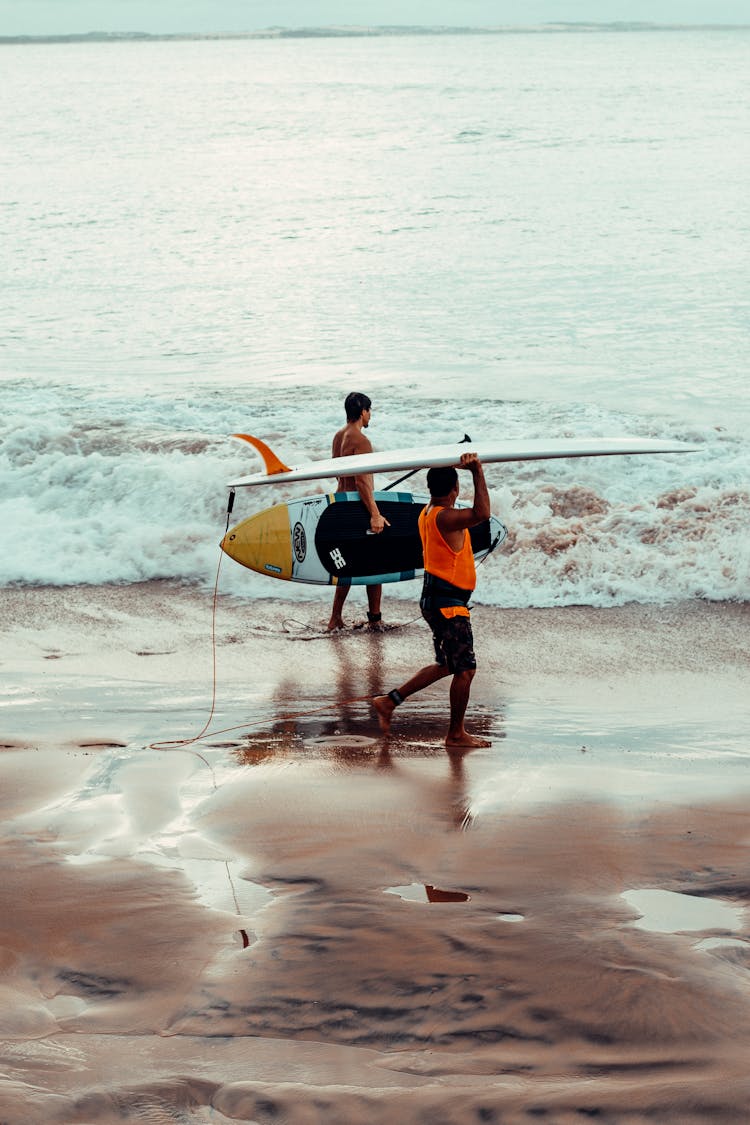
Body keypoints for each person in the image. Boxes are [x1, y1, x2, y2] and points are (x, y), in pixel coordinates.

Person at [373, 452, 492, 749]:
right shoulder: (446, 517)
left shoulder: (427, 512)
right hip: (448, 606)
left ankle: (389, 701)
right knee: (465, 669)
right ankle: (455, 734)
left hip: (438, 601)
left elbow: (472, 512)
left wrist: (454, 470)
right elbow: (483, 514)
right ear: (455, 490)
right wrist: (477, 471)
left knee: (447, 665)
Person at [327, 391, 390, 632]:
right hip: (357, 507)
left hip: (342, 503)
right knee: (376, 562)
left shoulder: (338, 436)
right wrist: (374, 513)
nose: (370, 415)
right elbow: (362, 481)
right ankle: (375, 619)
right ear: (363, 411)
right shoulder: (361, 440)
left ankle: (336, 618)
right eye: (369, 410)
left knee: (347, 564)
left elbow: (338, 472)